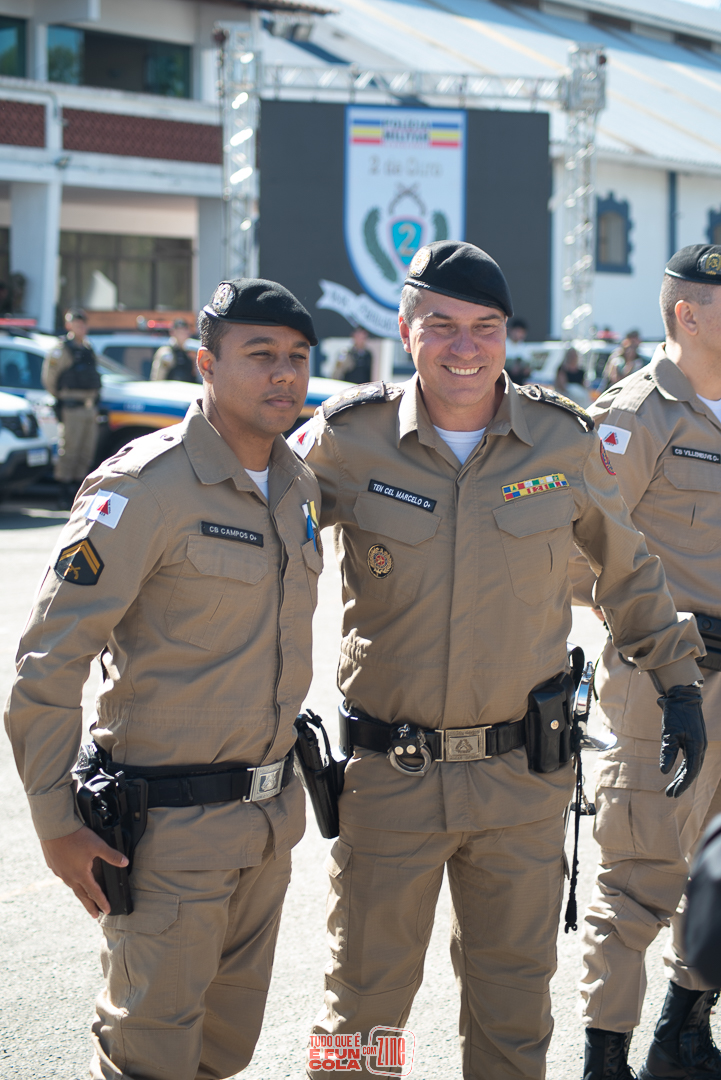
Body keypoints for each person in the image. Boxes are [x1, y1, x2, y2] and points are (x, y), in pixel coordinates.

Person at [289, 239, 706, 1080]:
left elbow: (628, 573)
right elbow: (257, 546)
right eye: (441, 325)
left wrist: (678, 686)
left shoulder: (559, 440)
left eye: (484, 327)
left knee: (512, 1015)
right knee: (361, 1010)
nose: (464, 346)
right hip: (389, 779)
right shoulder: (346, 440)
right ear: (404, 330)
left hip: (520, 783)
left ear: (506, 335)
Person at [4, 278, 323, 1080]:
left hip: (267, 823)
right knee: (149, 1054)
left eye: (296, 357)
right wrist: (54, 823)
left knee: (223, 1051)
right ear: (205, 365)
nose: (283, 373)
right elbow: (48, 662)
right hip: (168, 832)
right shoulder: (144, 486)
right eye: (259, 354)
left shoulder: (298, 483)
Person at [571, 244, 721, 1080]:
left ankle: (682, 1033)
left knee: (717, 871)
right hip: (665, 683)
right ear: (685, 314)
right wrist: (664, 633)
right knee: (638, 875)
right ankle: (606, 1056)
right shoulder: (633, 416)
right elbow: (575, 554)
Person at [42, 308, 102, 508]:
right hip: (72, 407)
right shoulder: (61, 350)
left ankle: (79, 492)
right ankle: (63, 494)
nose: (80, 328)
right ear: (69, 325)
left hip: (89, 408)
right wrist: (62, 399)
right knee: (69, 451)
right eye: (76, 324)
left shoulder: (88, 348)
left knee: (86, 452)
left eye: (83, 324)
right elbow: (50, 379)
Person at [150, 318, 199, 382]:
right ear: (173, 332)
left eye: (185, 332)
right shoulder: (166, 353)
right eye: (180, 332)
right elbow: (158, 379)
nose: (183, 335)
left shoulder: (189, 353)